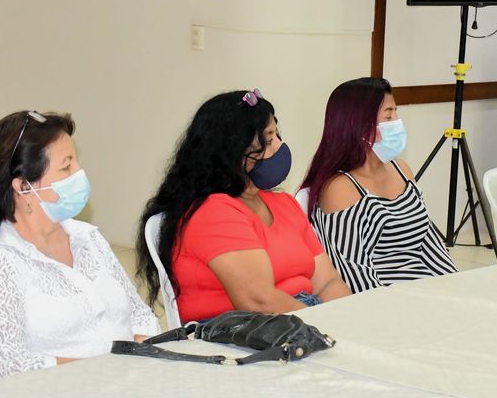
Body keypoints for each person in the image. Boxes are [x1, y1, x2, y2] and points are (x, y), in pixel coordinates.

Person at [0, 111, 159, 383]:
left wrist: (143, 361)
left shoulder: (87, 237)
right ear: (23, 187)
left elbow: (141, 316)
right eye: (66, 168)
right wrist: (108, 372)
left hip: (126, 387)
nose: (80, 174)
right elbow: (7, 368)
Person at [136, 89, 350, 323]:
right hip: (244, 330)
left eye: (276, 134)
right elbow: (259, 302)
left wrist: (350, 321)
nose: (279, 146)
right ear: (232, 149)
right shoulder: (213, 212)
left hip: (300, 316)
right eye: (268, 139)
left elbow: (327, 282)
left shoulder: (284, 203)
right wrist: (327, 327)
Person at [300, 77, 457, 294]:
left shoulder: (402, 170)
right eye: (388, 115)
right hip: (386, 298)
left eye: (396, 112)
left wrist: (456, 287)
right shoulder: (340, 188)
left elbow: (430, 243)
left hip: (426, 291)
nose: (397, 121)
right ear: (360, 125)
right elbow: (353, 272)